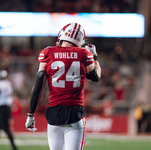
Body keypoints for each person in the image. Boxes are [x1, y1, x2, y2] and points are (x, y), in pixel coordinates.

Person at [25, 22, 101, 150]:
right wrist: (95, 57)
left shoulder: (48, 53)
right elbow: (96, 76)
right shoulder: (84, 54)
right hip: (75, 116)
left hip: (54, 116)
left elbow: (38, 86)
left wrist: (30, 114)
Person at [0, 70, 18, 150]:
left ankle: (14, 147)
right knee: (0, 128)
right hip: (6, 107)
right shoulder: (7, 83)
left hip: (1, 108)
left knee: (2, 128)